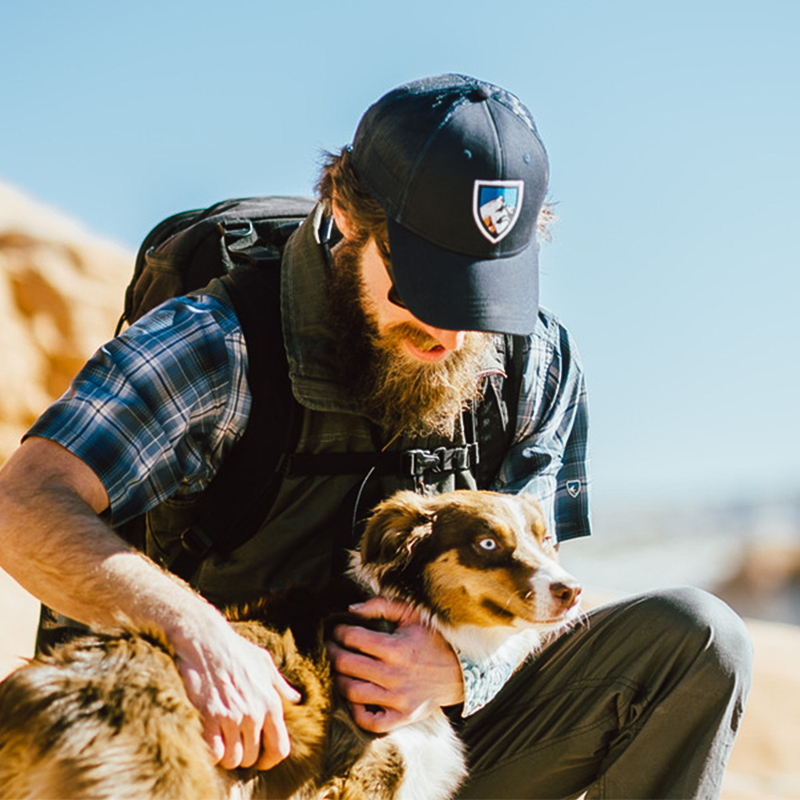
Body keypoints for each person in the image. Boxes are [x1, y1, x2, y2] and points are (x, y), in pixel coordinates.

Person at [0, 74, 751, 798]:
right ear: (347, 217)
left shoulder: (537, 365)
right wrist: (196, 638)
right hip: (236, 741)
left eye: (480, 295)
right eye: (426, 287)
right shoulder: (216, 344)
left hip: (430, 748)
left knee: (695, 641)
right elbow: (24, 503)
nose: (452, 333)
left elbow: (534, 597)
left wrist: (460, 668)